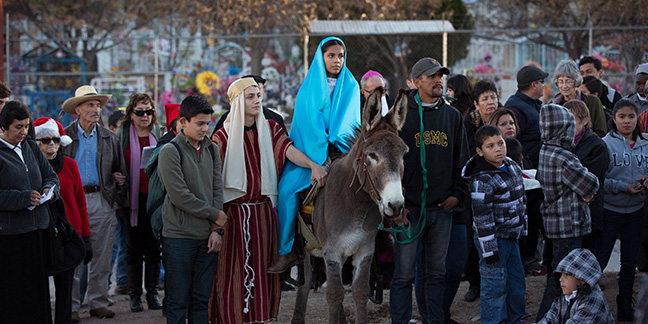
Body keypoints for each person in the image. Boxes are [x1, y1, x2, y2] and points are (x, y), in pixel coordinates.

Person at [210, 78, 326, 323]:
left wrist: (313, 165)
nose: (257, 100)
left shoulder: (271, 128)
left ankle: (261, 318)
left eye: (258, 96)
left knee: (264, 270)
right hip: (233, 214)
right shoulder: (221, 137)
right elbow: (211, 179)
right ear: (238, 102)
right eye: (250, 96)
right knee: (232, 270)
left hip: (263, 214)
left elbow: (288, 150)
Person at [390, 57, 469, 324]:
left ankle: (434, 320)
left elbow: (462, 161)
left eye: (441, 76)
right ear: (417, 81)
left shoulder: (452, 115)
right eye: (432, 76)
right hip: (409, 211)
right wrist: (398, 207)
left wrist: (457, 194)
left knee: (437, 273)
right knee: (403, 275)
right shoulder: (400, 115)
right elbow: (389, 165)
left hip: (441, 210)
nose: (438, 80)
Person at [272, 36, 361, 273]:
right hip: (311, 154)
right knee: (287, 190)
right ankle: (287, 250)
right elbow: (308, 125)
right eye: (331, 56)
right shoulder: (309, 86)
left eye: (341, 56)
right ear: (321, 58)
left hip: (342, 150)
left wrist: (338, 147)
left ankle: (375, 238)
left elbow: (350, 122)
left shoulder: (351, 85)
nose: (337, 61)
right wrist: (319, 156)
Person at [157, 95, 227, 324]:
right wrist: (215, 215)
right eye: (200, 123)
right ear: (183, 122)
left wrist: (217, 229)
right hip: (179, 237)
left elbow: (218, 189)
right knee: (177, 303)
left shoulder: (212, 149)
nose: (205, 129)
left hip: (207, 237)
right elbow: (179, 196)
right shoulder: (170, 151)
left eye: (208, 123)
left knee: (200, 301)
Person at [60, 85, 128, 320]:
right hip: (71, 201)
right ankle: (71, 307)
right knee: (73, 257)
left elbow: (121, 171)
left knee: (101, 256)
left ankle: (98, 301)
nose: (96, 109)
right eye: (90, 105)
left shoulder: (110, 137)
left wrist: (115, 198)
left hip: (102, 198)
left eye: (98, 105)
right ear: (77, 109)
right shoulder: (64, 137)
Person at [535, 104, 599, 321]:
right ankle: (546, 318)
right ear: (564, 129)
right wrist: (585, 189)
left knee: (558, 274)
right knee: (562, 279)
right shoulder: (564, 156)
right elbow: (590, 184)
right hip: (568, 225)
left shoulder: (546, 149)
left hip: (554, 224)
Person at [0, 101, 59, 323]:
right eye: (18, 127)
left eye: (26, 126)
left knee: (38, 291)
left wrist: (49, 191)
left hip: (38, 230)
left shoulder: (31, 147)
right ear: (4, 126)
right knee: (14, 293)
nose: (23, 132)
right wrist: (23, 198)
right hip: (11, 235)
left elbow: (51, 176)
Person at [462, 125, 527, 324]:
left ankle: (515, 319)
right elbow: (482, 221)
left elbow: (520, 201)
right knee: (495, 287)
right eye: (490, 146)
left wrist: (522, 230)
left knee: (516, 283)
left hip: (512, 238)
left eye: (500, 143)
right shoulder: (482, 180)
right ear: (480, 152)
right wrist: (490, 252)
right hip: (494, 242)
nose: (498, 148)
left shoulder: (511, 165)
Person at [34, 117, 93, 324]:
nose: (51, 144)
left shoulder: (70, 165)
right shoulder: (32, 167)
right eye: (45, 140)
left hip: (68, 234)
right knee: (39, 288)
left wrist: (86, 237)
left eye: (56, 140)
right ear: (36, 143)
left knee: (66, 289)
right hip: (41, 234)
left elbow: (80, 203)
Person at [596, 99, 648, 321]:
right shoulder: (605, 144)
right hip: (611, 211)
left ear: (637, 119)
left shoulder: (646, 144)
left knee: (629, 262)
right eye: (622, 117)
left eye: (631, 116)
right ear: (614, 119)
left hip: (637, 212)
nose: (627, 121)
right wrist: (622, 187)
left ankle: (625, 304)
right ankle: (587, 305)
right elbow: (600, 180)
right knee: (600, 259)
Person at [115, 93, 164, 312]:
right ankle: (135, 296)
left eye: (149, 111)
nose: (145, 116)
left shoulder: (158, 133)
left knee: (154, 248)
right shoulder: (121, 135)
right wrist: (116, 175)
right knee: (133, 248)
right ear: (131, 114)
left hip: (154, 198)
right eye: (140, 112)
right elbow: (113, 163)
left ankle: (152, 294)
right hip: (131, 199)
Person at [562, 100, 608, 254]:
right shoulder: (561, 142)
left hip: (588, 212)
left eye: (572, 120)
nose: (568, 125)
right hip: (566, 214)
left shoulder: (596, 145)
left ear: (585, 120)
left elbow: (589, 179)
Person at [537, 248, 614, 324]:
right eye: (561, 274)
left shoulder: (593, 300)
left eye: (566, 275)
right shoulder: (563, 296)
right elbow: (549, 319)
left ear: (582, 279)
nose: (561, 279)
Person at [505, 65, 549, 168]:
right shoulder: (516, 109)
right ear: (533, 85)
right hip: (526, 170)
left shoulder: (533, 104)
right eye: (542, 81)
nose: (544, 85)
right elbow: (513, 142)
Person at [213, 74, 287, 134]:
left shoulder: (275, 120)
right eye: (250, 95)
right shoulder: (226, 120)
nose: (257, 99)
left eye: (259, 90)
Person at [551, 59, 607, 137]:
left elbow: (601, 131)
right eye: (561, 81)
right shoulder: (553, 105)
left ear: (576, 81)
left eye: (568, 81)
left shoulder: (592, 101)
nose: (564, 86)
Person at [464, 80, 499, 155]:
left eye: (493, 97)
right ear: (476, 104)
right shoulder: (469, 124)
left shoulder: (505, 119)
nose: (490, 102)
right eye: (485, 99)